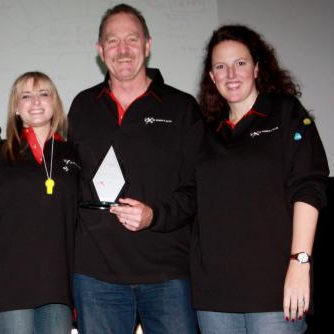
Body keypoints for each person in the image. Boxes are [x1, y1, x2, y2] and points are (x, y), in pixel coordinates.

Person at [148, 24, 330, 333]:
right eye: (221, 66)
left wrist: (300, 262)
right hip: (214, 297)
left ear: (258, 68)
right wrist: (151, 213)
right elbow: (187, 197)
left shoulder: (286, 114)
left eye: (240, 63)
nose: (231, 74)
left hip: (275, 292)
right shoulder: (205, 132)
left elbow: (309, 187)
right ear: (211, 77)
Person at [68, 3, 201, 333]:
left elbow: (197, 190)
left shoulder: (182, 108)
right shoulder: (82, 106)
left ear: (148, 45)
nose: (123, 50)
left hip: (167, 274)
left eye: (132, 39)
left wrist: (154, 215)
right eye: (112, 41)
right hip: (96, 275)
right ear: (100, 50)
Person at [0, 72, 80, 334]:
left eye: (43, 94)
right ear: (16, 107)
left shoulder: (73, 154)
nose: (35, 101)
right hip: (8, 286)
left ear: (55, 103)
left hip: (57, 287)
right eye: (26, 96)